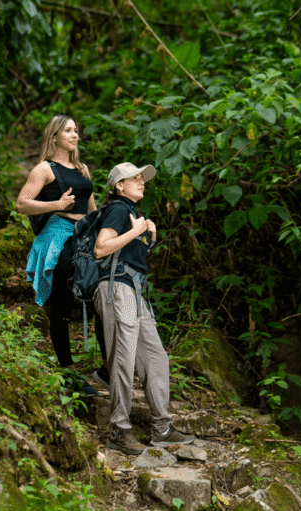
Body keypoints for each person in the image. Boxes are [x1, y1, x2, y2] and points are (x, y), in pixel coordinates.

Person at [93, 162, 195, 455]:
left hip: (133, 290)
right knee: (123, 359)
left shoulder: (131, 212)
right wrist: (136, 229)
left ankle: (162, 428)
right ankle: (119, 430)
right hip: (117, 289)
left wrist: (148, 237)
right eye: (134, 178)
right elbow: (101, 248)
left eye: (142, 178)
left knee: (155, 356)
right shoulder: (117, 209)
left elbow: (127, 254)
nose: (141, 182)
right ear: (119, 186)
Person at [15, 114, 109, 395]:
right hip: (58, 237)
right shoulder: (44, 169)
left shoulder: (82, 168)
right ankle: (68, 372)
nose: (74, 135)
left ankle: (108, 368)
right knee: (62, 304)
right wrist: (56, 204)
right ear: (54, 136)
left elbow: (91, 208)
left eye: (76, 130)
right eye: (68, 130)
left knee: (103, 296)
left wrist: (103, 234)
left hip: (85, 236)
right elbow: (22, 204)